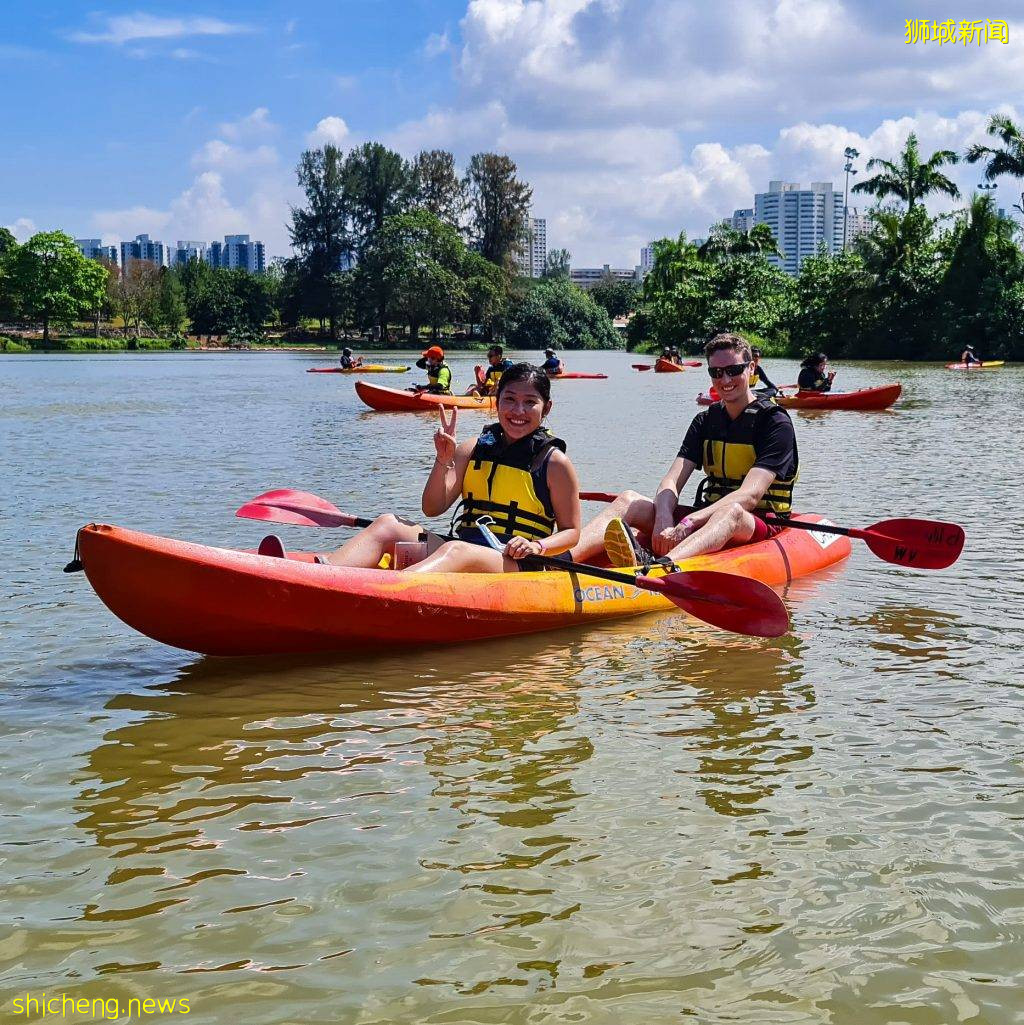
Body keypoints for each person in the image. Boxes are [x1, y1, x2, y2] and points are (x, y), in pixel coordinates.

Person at [316, 363, 581, 573]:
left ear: (546, 408)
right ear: (496, 401)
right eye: (509, 399)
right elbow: (432, 509)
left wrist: (537, 546)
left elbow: (572, 532)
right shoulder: (472, 448)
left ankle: (392, 590)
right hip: (463, 549)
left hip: (515, 564)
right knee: (388, 524)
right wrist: (443, 460)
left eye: (530, 402)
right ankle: (322, 576)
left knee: (456, 551)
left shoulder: (554, 463)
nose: (518, 410)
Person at [570, 332, 798, 568]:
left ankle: (658, 567)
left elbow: (750, 496)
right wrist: (663, 518)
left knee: (731, 511)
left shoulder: (775, 422)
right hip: (705, 519)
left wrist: (689, 522)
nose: (725, 379)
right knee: (629, 500)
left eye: (734, 370)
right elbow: (671, 481)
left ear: (751, 368)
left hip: (756, 523)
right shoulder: (706, 420)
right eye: (716, 372)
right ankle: (560, 559)